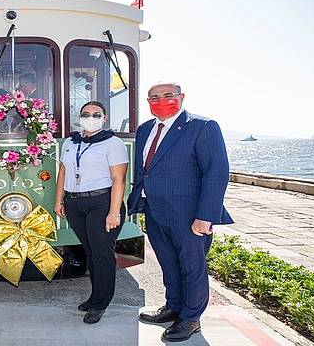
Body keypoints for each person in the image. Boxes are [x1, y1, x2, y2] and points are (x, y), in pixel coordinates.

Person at [127, 82, 232, 342]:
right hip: (155, 211)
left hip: (189, 214)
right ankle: (173, 306)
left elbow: (216, 173)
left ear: (181, 97)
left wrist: (205, 216)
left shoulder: (203, 127)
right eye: (153, 97)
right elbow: (144, 170)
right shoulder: (145, 129)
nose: (160, 101)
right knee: (168, 263)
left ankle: (191, 319)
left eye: (168, 96)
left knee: (192, 266)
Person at [53, 101, 128, 324]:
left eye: (96, 114)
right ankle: (96, 296)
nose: (91, 117)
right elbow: (63, 172)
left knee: (102, 254)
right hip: (75, 204)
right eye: (86, 114)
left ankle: (100, 303)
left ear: (104, 118)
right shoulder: (70, 141)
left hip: (102, 202)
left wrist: (114, 212)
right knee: (90, 251)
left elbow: (119, 179)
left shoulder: (113, 143)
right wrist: (59, 200)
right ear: (80, 117)